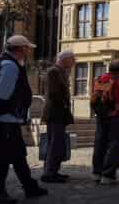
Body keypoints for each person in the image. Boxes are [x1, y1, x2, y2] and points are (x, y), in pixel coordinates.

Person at [0, 35, 48, 203]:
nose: (29, 51)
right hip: (6, 118)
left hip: (9, 118)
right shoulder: (10, 66)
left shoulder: (8, 63)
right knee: (3, 157)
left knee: (18, 154)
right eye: (27, 48)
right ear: (21, 49)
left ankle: (29, 186)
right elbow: (2, 94)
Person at [91, 59, 119, 185]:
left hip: (102, 116)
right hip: (117, 116)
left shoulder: (100, 79)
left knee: (100, 143)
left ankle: (96, 172)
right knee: (115, 146)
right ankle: (108, 174)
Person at [40, 50, 75, 184]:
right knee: (55, 143)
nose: (74, 62)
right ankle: (49, 173)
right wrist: (65, 105)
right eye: (72, 59)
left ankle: (52, 170)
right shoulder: (53, 71)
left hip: (59, 112)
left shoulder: (61, 72)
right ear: (64, 59)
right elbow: (54, 93)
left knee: (57, 143)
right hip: (55, 112)